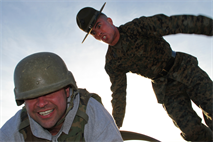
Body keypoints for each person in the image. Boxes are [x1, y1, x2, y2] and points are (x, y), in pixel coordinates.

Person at [76, 2, 213, 142]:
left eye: (99, 26)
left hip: (183, 68)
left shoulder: (136, 27)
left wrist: (209, 26)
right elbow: (118, 93)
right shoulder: (112, 62)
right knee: (192, 131)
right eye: (93, 33)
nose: (99, 33)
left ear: (109, 21)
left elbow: (173, 23)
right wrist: (114, 125)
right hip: (166, 89)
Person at [0, 52, 123, 142]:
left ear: (67, 91)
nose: (41, 103)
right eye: (31, 96)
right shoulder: (17, 127)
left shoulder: (90, 112)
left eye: (49, 92)